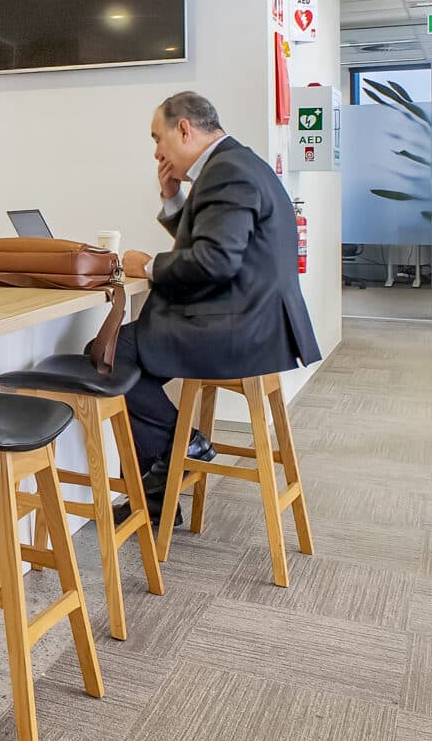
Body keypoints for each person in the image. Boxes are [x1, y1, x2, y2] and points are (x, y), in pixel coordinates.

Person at [115, 90, 321, 518]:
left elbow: (214, 261)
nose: (157, 152)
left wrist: (148, 266)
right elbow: (208, 241)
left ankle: (181, 447)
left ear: (184, 129)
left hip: (242, 328)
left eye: (157, 138)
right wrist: (172, 196)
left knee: (111, 354)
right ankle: (159, 489)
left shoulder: (227, 171)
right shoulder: (235, 163)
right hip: (256, 321)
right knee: (128, 354)